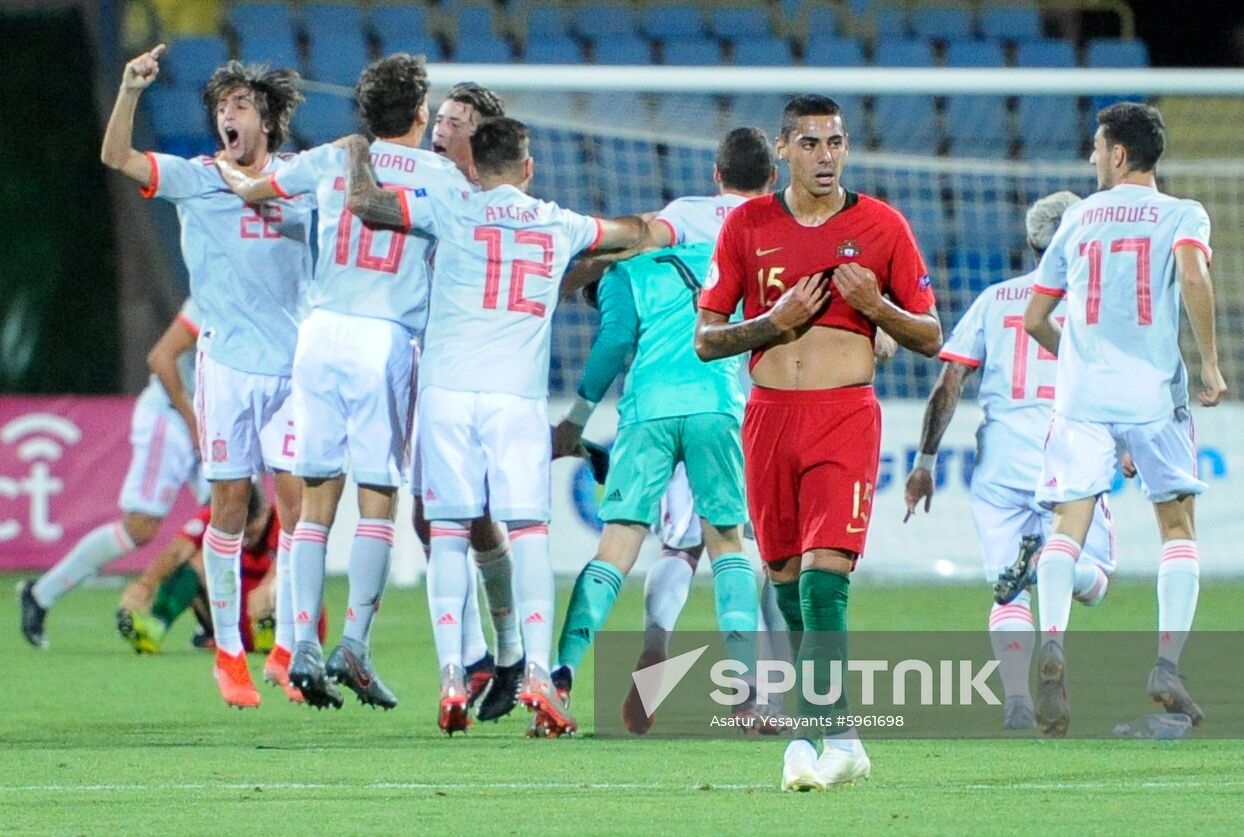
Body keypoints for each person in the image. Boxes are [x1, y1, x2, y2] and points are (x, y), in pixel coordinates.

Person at [349, 116, 645, 734]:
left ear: (474, 168)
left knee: (450, 533)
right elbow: (633, 234)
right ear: (529, 168)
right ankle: (539, 671)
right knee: (529, 530)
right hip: (515, 397)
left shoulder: (450, 204)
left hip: (447, 391)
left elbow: (369, 207)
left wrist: (356, 155)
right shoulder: (558, 222)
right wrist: (601, 259)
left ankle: (453, 674)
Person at [695, 94, 941, 790]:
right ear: (782, 151)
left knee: (824, 577)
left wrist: (876, 308)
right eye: (810, 143)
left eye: (835, 142)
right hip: (769, 417)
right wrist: (771, 323)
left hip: (844, 417)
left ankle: (805, 740)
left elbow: (931, 336)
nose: (826, 156)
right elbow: (706, 339)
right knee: (785, 584)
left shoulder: (881, 225)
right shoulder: (747, 226)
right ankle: (844, 735)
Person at [215, 53, 456, 711]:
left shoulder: (330, 158)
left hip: (318, 336)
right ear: (418, 113)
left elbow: (250, 189)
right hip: (385, 336)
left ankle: (300, 647)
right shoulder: (443, 176)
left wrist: (234, 160)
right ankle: (353, 640)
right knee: (376, 497)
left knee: (316, 502)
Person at [100, 46, 313, 708]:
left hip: (292, 368)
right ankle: (228, 654)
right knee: (227, 508)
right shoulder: (196, 177)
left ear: (268, 122)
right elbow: (117, 157)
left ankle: (287, 646)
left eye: (242, 105)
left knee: (298, 511)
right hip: (224, 370)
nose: (229, 115)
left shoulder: (301, 178)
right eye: (222, 106)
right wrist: (132, 89)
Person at [549, 127, 779, 735]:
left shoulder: (642, 258)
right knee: (732, 545)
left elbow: (614, 342)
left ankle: (561, 679)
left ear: (715, 173)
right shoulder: (751, 249)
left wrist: (574, 421)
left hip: (648, 410)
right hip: (724, 406)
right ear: (775, 176)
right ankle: (749, 692)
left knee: (624, 546)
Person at [1023, 102, 1224, 737]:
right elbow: (1193, 273)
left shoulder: (1078, 218)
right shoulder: (1183, 214)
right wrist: (1212, 365)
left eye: (1095, 147)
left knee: (1067, 524)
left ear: (1116, 154)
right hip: (1153, 395)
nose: (1090, 158)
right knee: (1177, 526)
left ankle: (1051, 639)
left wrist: (1079, 356)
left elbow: (1034, 319)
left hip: (1082, 398)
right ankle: (1167, 665)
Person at [903, 191, 1116, 730]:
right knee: (1092, 580)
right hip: (1067, 451)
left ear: (1031, 243)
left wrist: (926, 459)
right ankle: (1050, 566)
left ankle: (1018, 700)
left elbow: (950, 381)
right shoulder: (1097, 305)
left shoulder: (996, 299)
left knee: (1005, 583)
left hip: (999, 459)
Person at [348, 79, 523, 714]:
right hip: (430, 364)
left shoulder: (478, 203)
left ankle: (505, 654)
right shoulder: (433, 187)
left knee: (471, 519)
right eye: (442, 118)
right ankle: (481, 658)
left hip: (473, 370)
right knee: (438, 518)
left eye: (460, 123)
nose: (444, 130)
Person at [18, 300, 209, 649]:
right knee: (140, 527)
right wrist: (192, 421)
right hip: (173, 417)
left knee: (235, 517)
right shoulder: (213, 288)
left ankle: (212, 622)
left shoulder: (277, 291)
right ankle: (40, 594)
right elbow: (160, 358)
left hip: (214, 421)